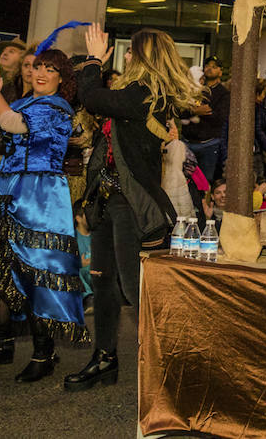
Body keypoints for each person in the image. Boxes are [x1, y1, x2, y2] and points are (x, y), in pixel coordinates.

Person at [66, 25, 199, 391]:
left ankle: (168, 374)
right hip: (108, 200)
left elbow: (92, 97)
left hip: (132, 206)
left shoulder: (144, 96)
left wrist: (93, 60)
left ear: (144, 57)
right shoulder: (132, 94)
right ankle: (104, 358)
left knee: (136, 289)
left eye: (130, 52)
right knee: (103, 282)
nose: (124, 57)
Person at [0, 48, 87, 382]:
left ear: (62, 78)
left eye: (50, 69)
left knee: (37, 270)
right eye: (36, 67)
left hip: (39, 194)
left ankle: (44, 353)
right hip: (5, 189)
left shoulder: (56, 106)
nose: (41, 73)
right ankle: (0, 343)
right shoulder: (21, 103)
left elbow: (12, 125)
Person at [181, 55, 228, 184]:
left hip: (209, 144)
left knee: (205, 182)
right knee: (184, 180)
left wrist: (202, 113)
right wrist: (194, 111)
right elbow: (180, 110)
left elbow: (220, 118)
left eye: (214, 67)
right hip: (187, 141)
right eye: (207, 66)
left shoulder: (223, 93)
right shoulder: (194, 87)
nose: (209, 69)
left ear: (220, 71)